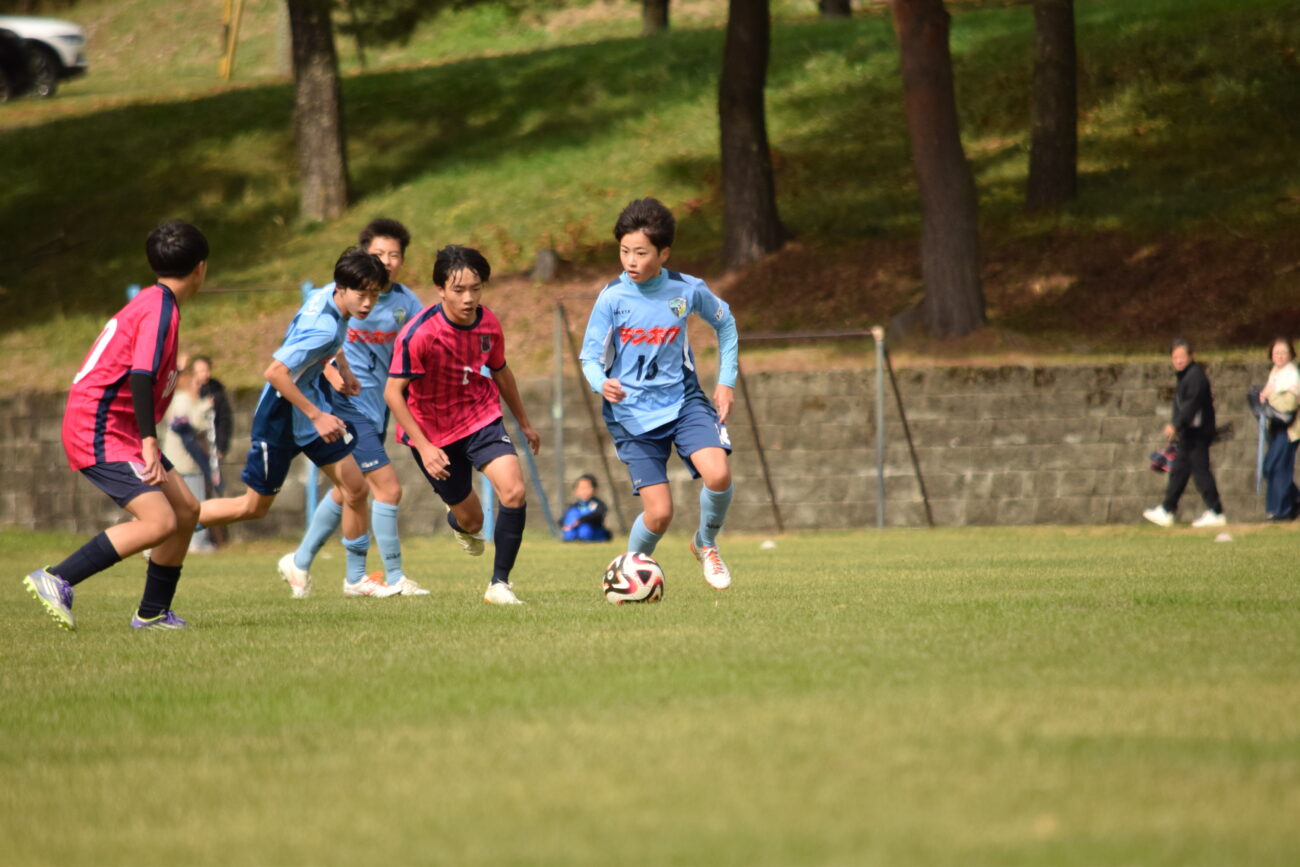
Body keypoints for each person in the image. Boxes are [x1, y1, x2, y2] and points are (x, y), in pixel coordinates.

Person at [22, 220, 208, 631]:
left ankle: (152, 613)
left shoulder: (154, 301)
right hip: (100, 428)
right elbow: (141, 375)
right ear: (201, 268)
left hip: (117, 426)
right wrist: (147, 441)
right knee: (160, 521)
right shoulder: (158, 310)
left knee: (187, 508)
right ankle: (57, 578)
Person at [198, 248, 395, 597]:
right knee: (252, 507)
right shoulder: (322, 326)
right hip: (281, 417)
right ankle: (169, 523)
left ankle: (356, 579)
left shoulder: (327, 298)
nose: (367, 304)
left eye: (375, 295)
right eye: (361, 295)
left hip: (312, 412)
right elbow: (275, 372)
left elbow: (331, 344)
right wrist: (317, 415)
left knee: (356, 488)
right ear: (342, 288)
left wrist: (342, 370)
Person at [579, 197, 738, 589]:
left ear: (663, 253)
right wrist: (603, 383)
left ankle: (706, 543)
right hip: (630, 416)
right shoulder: (612, 297)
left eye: (640, 253)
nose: (630, 261)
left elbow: (727, 325)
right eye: (624, 251)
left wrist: (726, 381)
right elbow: (588, 358)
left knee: (717, 474)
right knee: (659, 515)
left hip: (683, 402)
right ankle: (629, 576)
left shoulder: (687, 289)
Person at [385, 245, 541, 606]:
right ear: (440, 289)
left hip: (480, 417)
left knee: (514, 491)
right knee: (473, 521)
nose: (469, 298)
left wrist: (524, 422)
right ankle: (460, 523)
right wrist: (424, 447)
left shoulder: (488, 323)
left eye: (476, 288)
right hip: (431, 432)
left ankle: (499, 585)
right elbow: (393, 393)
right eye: (459, 290)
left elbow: (500, 370)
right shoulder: (419, 334)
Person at [280, 219, 428, 597]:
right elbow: (309, 345)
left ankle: (300, 561)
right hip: (344, 405)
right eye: (379, 253)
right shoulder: (336, 296)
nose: (388, 261)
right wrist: (331, 371)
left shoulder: (406, 303)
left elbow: (422, 345)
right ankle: (391, 578)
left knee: (350, 490)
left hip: (377, 408)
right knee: (387, 489)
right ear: (364, 255)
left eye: (395, 255)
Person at [1143, 338, 1227, 528]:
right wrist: (1179, 427)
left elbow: (1191, 406)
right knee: (1179, 471)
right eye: (1175, 357)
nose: (1178, 360)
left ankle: (1216, 512)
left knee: (1200, 471)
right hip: (1189, 433)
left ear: (1190, 356)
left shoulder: (1195, 377)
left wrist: (1176, 425)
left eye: (1182, 356)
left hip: (1197, 433)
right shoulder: (1185, 376)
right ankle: (1167, 509)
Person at [160, 359, 217, 552]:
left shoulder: (180, 399)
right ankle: (197, 543)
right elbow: (189, 424)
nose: (198, 385)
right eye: (195, 381)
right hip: (186, 460)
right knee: (196, 502)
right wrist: (205, 408)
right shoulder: (184, 399)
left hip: (177, 459)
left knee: (175, 503)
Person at [1258, 336, 1300, 521]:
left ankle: (1281, 511)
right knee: (1270, 467)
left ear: (1291, 354)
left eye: (1284, 352)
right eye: (1276, 353)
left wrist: (1270, 396)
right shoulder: (1276, 371)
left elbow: (1288, 404)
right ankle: (1293, 501)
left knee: (1278, 467)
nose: (1280, 356)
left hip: (1289, 429)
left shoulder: (1292, 374)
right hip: (1276, 428)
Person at [561, 474, 612, 542]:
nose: (584, 491)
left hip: (594, 531)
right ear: (576, 491)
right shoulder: (574, 506)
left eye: (587, 488)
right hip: (575, 529)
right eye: (581, 488)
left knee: (585, 529)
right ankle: (570, 537)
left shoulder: (597, 504)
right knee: (572, 513)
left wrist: (581, 520)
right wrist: (564, 525)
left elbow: (599, 514)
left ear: (594, 490)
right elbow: (563, 519)